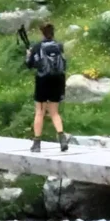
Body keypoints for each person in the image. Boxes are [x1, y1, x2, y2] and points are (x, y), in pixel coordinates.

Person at [25, 24, 69, 152]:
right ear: (53, 33)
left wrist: (28, 55)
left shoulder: (38, 47)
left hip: (43, 81)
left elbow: (30, 65)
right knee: (54, 112)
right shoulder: (59, 46)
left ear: (42, 33)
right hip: (58, 80)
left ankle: (37, 144)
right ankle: (62, 138)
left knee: (40, 111)